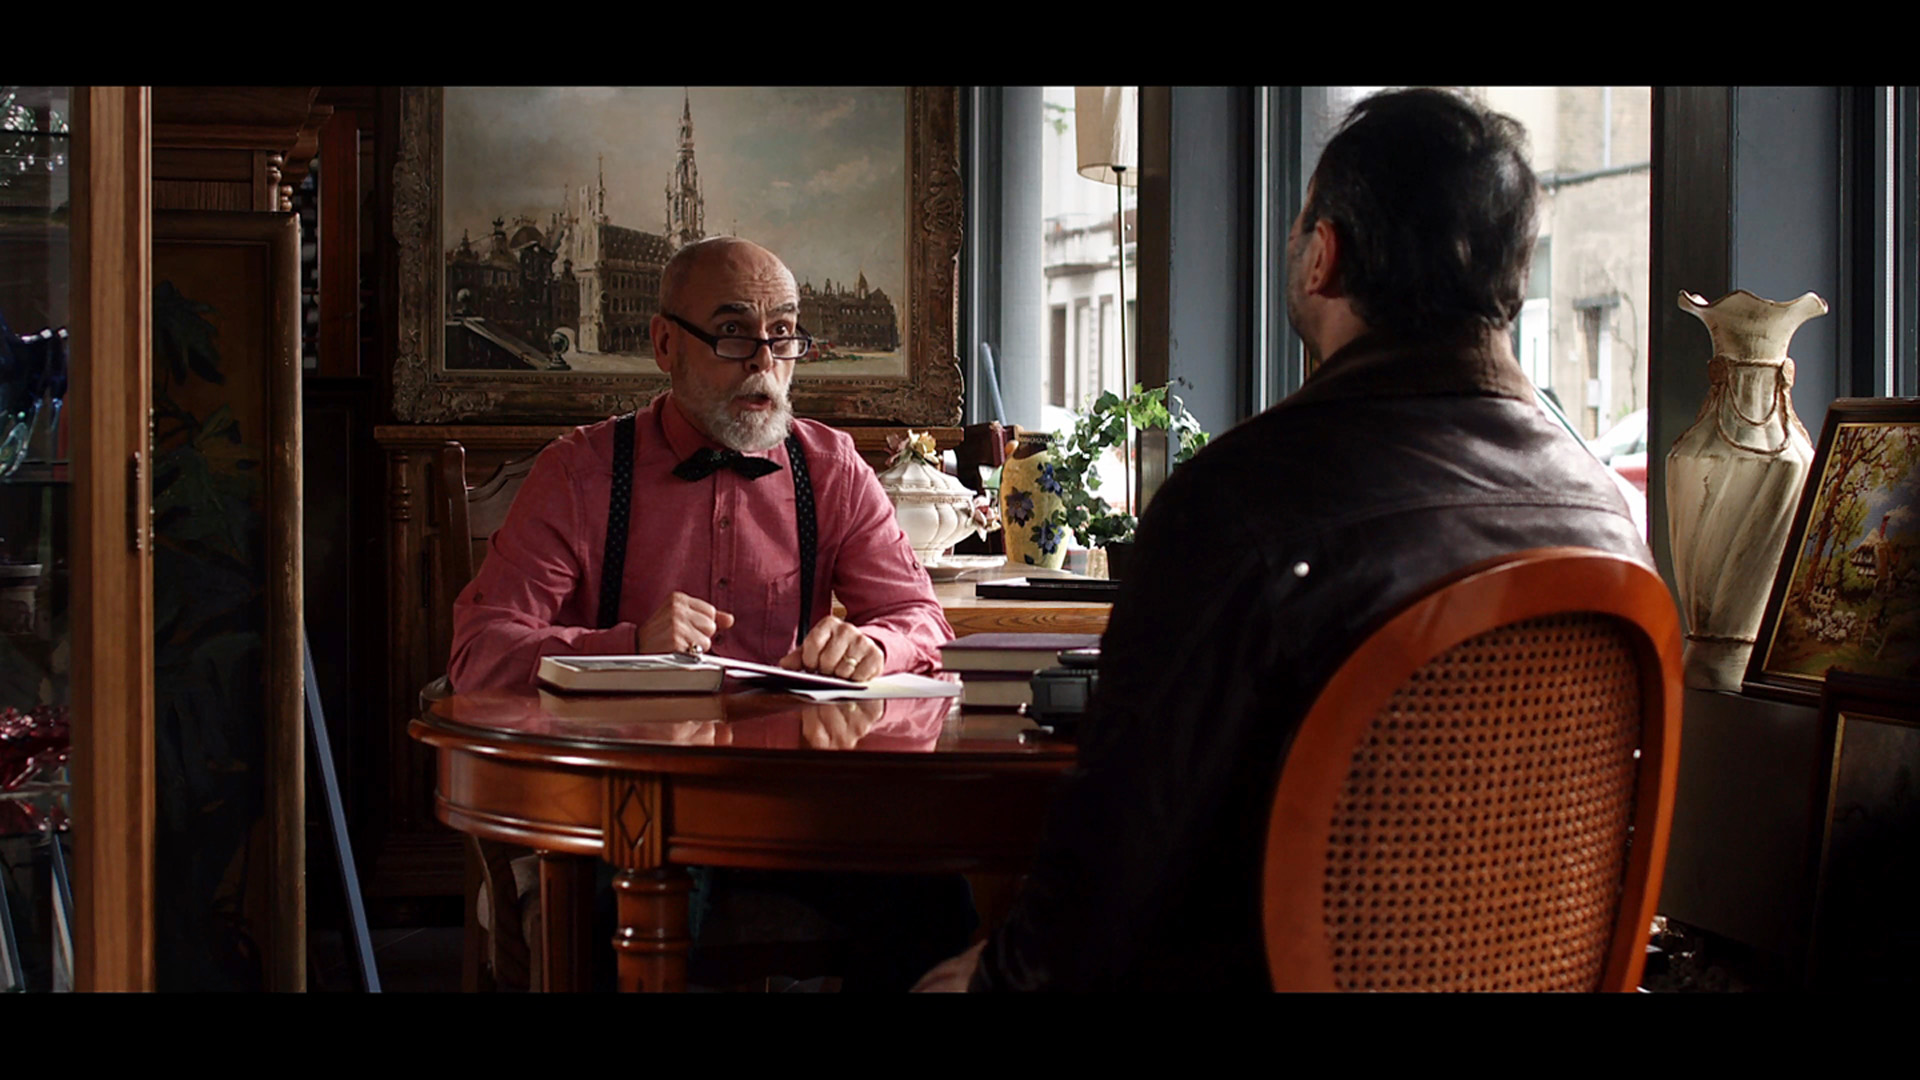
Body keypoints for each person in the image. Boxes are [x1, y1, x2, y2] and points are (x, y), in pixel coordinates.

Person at [916, 88, 1653, 992]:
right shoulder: (1604, 519)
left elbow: (1111, 868)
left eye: (1300, 223)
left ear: (1324, 255)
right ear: (1516, 271)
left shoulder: (1238, 505)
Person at [448, 235, 972, 991]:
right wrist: (630, 647)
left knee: (937, 903)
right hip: (623, 805)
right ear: (665, 344)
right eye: (732, 333)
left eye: (782, 334)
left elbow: (921, 620)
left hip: (791, 804)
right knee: (618, 923)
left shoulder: (832, 468)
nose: (764, 362)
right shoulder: (579, 473)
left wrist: (875, 647)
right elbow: (480, 651)